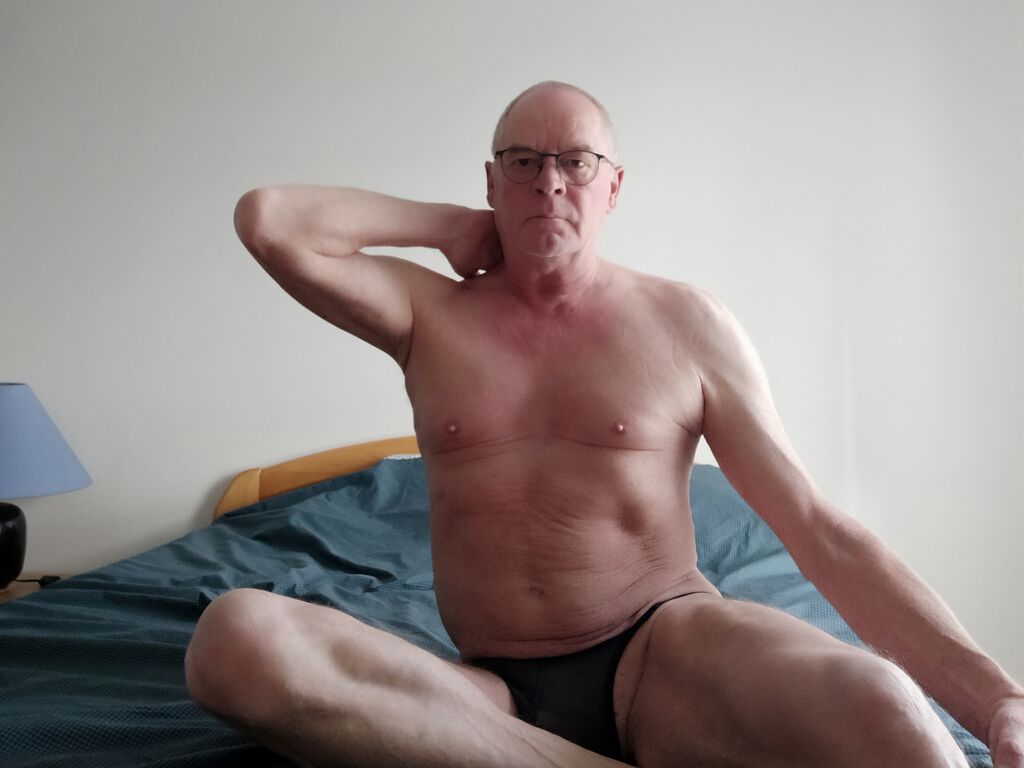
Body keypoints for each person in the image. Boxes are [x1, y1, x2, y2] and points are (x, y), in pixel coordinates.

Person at [184, 81, 1024, 768]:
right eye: (522, 163)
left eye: (575, 162)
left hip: (667, 655)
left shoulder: (686, 324)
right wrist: (447, 226)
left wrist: (997, 702)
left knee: (885, 708)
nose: (549, 183)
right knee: (234, 641)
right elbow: (270, 220)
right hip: (488, 693)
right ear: (491, 183)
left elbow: (817, 529)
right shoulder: (429, 316)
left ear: (613, 186)